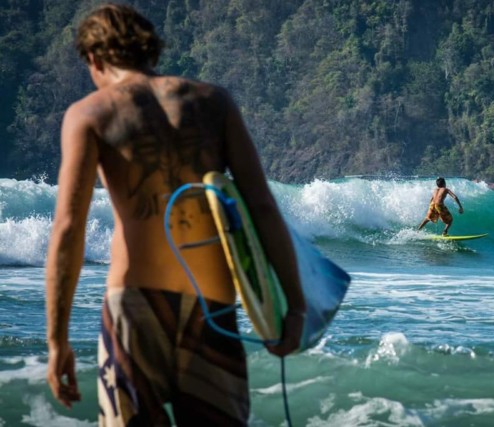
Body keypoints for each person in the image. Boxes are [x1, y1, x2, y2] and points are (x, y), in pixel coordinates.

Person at [45, 4, 306, 425]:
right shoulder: (213, 102)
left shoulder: (90, 113)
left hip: (134, 304)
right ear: (150, 50)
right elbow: (260, 206)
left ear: (93, 59)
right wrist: (295, 306)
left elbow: (68, 229)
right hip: (212, 305)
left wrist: (57, 342)